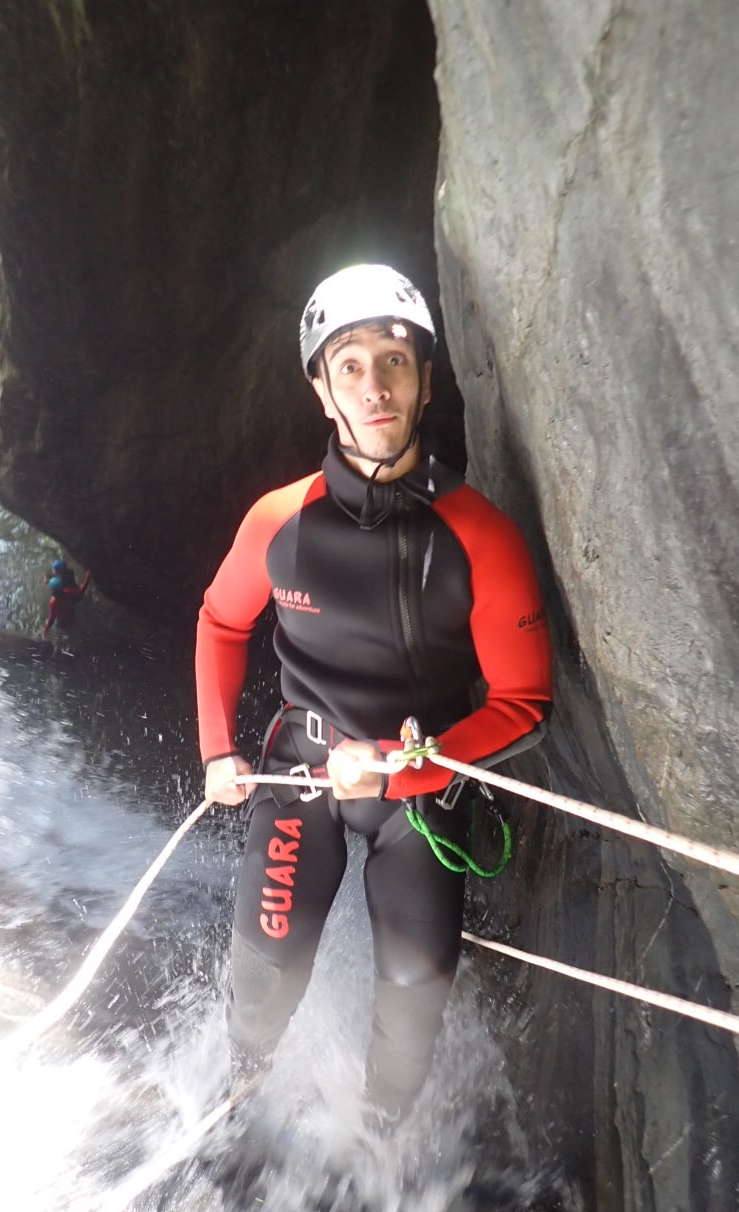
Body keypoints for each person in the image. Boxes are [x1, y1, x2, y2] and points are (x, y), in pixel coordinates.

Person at [195, 263, 552, 1125]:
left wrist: (401, 766)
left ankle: (379, 1148)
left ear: (426, 380)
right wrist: (217, 750)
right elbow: (220, 623)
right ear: (322, 391)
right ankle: (234, 1099)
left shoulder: (482, 537)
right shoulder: (279, 521)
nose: (374, 386)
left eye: (394, 361)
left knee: (411, 1007)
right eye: (349, 366)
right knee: (262, 980)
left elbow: (525, 704)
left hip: (423, 790)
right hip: (304, 770)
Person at [42, 569, 91, 640]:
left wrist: (45, 630)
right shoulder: (68, 592)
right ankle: (86, 635)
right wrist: (87, 578)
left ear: (52, 590)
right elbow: (81, 591)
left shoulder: (53, 602)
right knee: (76, 626)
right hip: (71, 616)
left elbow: (51, 618)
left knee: (67, 633)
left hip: (62, 622)